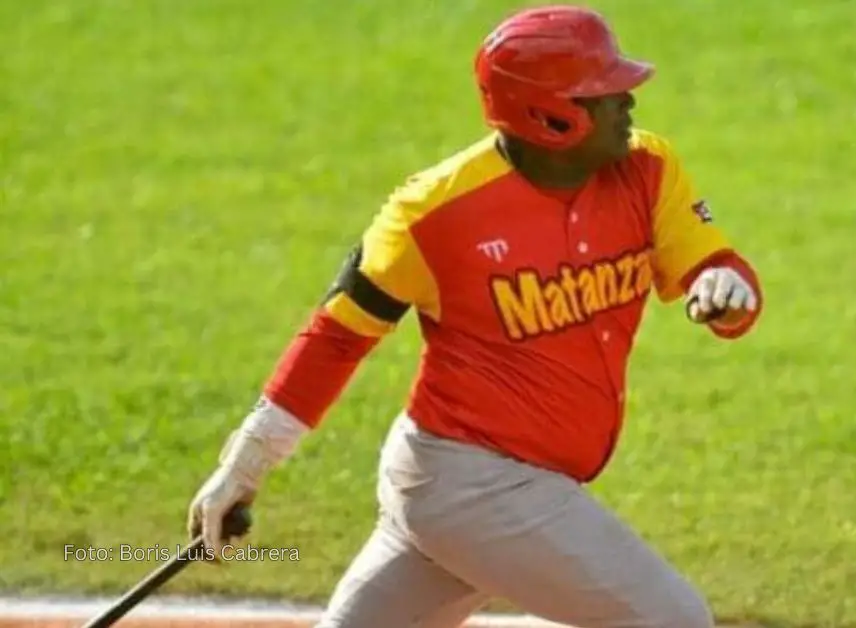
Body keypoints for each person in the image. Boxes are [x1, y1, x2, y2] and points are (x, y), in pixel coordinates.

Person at [186, 4, 764, 627]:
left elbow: (716, 270)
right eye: (605, 92)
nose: (628, 101)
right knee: (670, 620)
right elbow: (336, 338)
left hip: (468, 491)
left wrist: (723, 286)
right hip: (470, 484)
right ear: (553, 117)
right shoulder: (435, 214)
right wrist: (244, 465)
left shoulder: (646, 172)